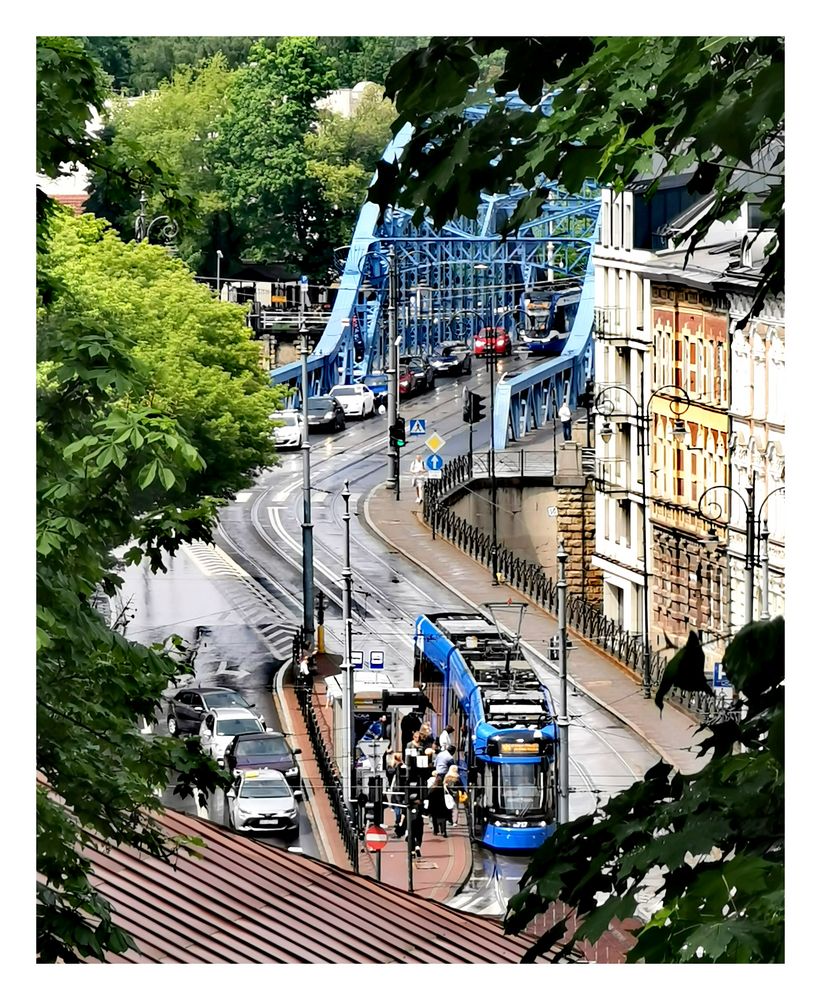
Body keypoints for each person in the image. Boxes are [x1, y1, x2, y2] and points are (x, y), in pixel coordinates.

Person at [386, 752, 408, 837]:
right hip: (400, 789)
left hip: (396, 789)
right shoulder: (402, 766)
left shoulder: (393, 767)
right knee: (399, 806)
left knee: (397, 806)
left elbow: (390, 776)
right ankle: (399, 821)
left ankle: (398, 821)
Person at [408, 794, 425, 859]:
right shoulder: (421, 806)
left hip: (411, 823)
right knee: (419, 836)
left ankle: (412, 852)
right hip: (419, 823)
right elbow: (425, 813)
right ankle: (417, 847)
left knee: (411, 837)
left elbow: (404, 814)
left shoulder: (409, 806)